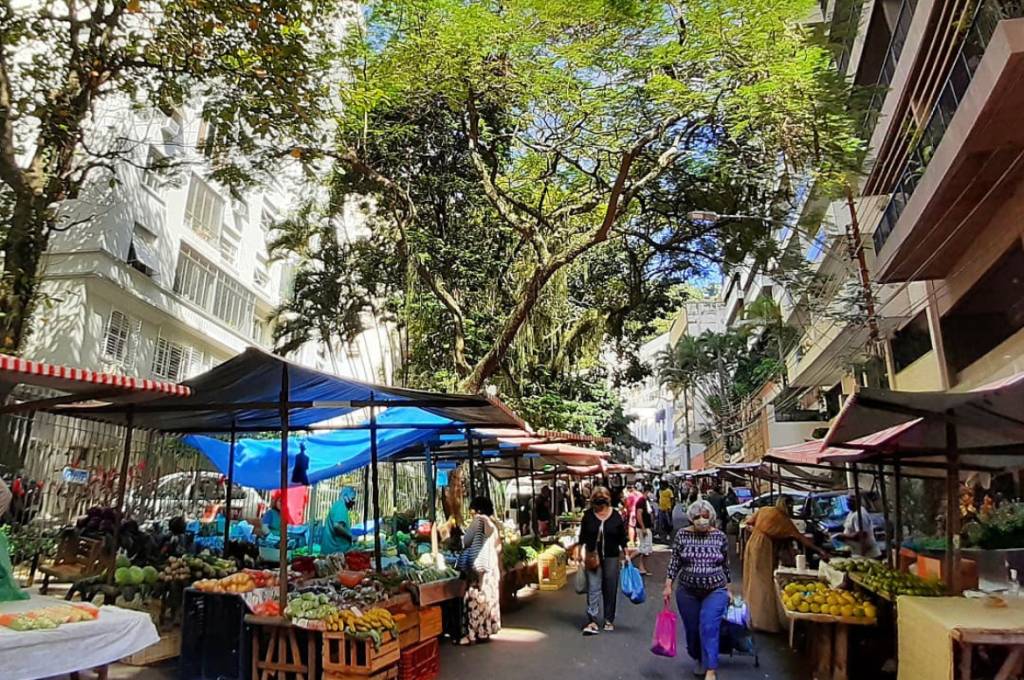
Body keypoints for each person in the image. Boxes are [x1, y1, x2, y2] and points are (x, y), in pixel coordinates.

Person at [663, 500, 730, 680]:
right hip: (687, 591)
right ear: (691, 518)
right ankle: (699, 657)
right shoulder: (682, 535)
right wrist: (668, 585)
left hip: (715, 590)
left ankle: (711, 669)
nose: (701, 519)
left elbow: (725, 564)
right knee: (692, 630)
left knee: (709, 626)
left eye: (705, 516)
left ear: (711, 517)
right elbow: (675, 562)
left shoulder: (720, 537)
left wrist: (728, 589)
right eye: (697, 516)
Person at [743, 496, 826, 632]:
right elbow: (801, 538)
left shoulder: (765, 510)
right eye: (790, 506)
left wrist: (759, 530)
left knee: (755, 577)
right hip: (764, 547)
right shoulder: (783, 519)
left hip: (753, 543)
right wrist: (820, 551)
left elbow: (748, 522)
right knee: (763, 581)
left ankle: (753, 616)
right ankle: (763, 621)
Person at [579, 486, 628, 635]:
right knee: (593, 587)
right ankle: (592, 619)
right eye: (597, 500)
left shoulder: (615, 516)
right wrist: (579, 552)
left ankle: (608, 619)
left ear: (608, 500)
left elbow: (622, 537)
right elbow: (582, 536)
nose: (600, 504)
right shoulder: (588, 515)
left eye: (603, 500)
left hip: (612, 556)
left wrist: (626, 554)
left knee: (610, 588)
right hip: (592, 556)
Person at [459, 496, 502, 644]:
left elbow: (466, 542)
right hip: (491, 569)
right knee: (487, 601)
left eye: (472, 509)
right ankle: (484, 632)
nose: (470, 512)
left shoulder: (478, 521)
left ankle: (471, 635)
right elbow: (498, 547)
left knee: (475, 600)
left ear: (477, 509)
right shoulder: (492, 524)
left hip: (479, 569)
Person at [839, 494, 881, 559]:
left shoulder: (860, 515)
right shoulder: (852, 512)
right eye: (847, 501)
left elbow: (862, 534)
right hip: (857, 552)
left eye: (851, 501)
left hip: (867, 554)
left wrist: (843, 536)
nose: (848, 503)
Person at [321, 486, 357, 554]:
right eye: (352, 498)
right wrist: (351, 536)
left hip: (335, 552)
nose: (353, 502)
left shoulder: (339, 505)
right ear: (346, 497)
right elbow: (337, 526)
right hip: (334, 553)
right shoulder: (341, 506)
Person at [634, 490, 653, 575]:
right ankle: (628, 559)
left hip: (645, 527)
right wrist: (643, 527)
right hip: (643, 528)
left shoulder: (645, 501)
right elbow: (639, 515)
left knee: (646, 549)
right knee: (644, 548)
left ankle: (642, 567)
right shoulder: (641, 502)